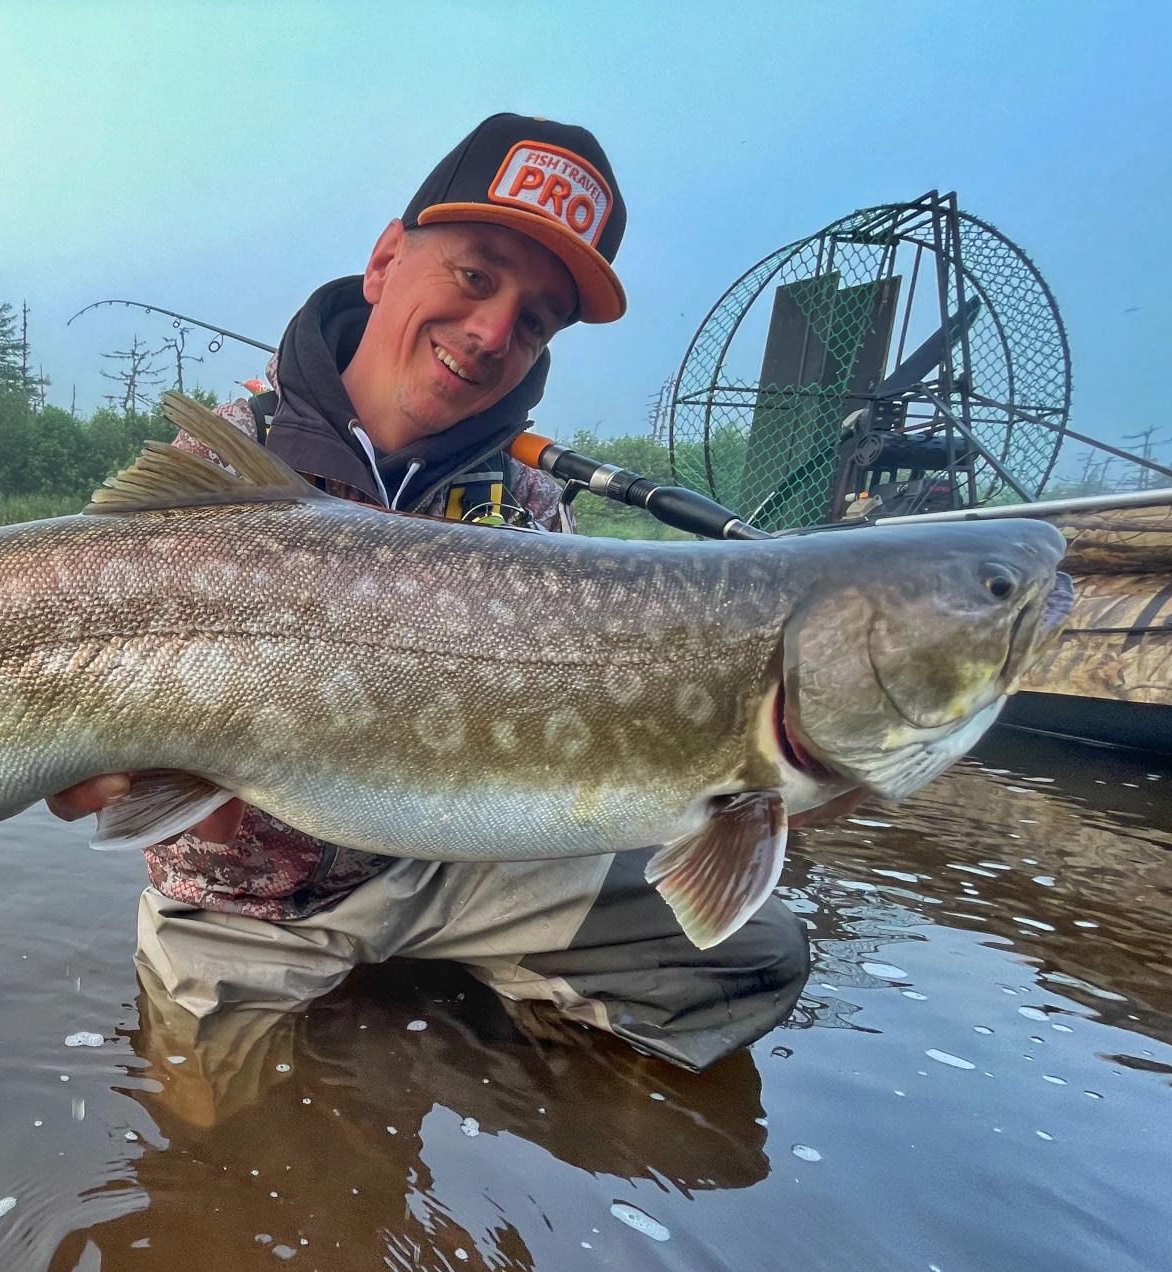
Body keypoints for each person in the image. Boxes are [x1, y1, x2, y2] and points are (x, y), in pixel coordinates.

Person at [50, 114, 809, 1072]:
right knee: (226, 1167)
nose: (494, 334)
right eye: (476, 275)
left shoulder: (532, 508)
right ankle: (396, 1064)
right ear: (383, 262)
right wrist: (127, 764)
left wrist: (786, 765)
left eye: (534, 320)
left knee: (751, 955)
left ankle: (452, 1065)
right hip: (255, 908)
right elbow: (160, 792)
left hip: (466, 875)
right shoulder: (222, 466)